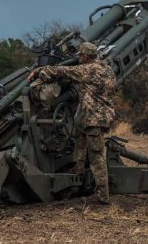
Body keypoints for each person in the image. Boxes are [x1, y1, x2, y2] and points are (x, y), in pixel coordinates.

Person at [28, 42, 115, 204]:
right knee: (79, 142)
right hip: (90, 117)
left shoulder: (89, 70)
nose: (79, 58)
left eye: (81, 56)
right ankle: (78, 172)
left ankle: (102, 196)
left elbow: (64, 71)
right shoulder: (107, 69)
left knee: (97, 157)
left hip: (94, 119)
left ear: (85, 57)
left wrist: (41, 71)